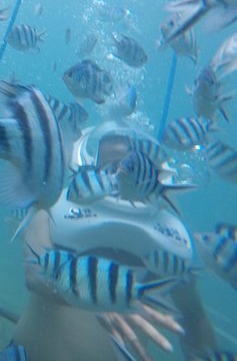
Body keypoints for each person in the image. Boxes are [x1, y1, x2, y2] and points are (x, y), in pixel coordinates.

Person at [11, 122, 216, 361]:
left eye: (131, 168)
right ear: (89, 163)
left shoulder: (172, 239)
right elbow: (34, 275)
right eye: (111, 167)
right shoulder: (54, 208)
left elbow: (194, 317)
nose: (120, 175)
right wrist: (97, 301)